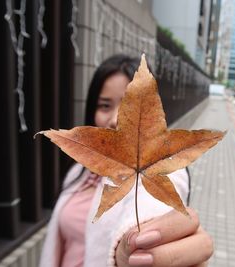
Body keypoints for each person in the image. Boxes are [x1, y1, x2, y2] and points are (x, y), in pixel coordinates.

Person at [39, 54, 213, 267]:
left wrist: (134, 246)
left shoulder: (163, 168)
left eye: (126, 107)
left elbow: (152, 209)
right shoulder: (79, 172)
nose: (113, 120)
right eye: (104, 106)